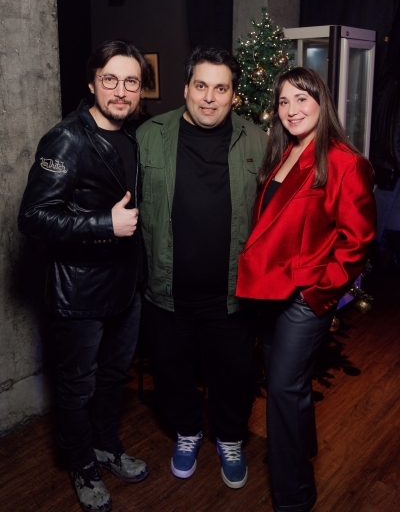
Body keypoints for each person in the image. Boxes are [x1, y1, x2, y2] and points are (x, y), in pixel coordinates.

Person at [18, 39, 152, 512]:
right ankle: (81, 464)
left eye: (131, 81)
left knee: (114, 376)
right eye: (110, 79)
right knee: (78, 385)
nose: (121, 90)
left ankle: (105, 446)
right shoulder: (66, 139)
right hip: (79, 289)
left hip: (125, 285)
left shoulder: (131, 135)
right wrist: (103, 224)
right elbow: (33, 217)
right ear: (92, 83)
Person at [236, 67, 376, 512]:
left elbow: (357, 241)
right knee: (288, 388)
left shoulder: (344, 161)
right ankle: (299, 451)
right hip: (269, 292)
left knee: (282, 389)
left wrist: (318, 291)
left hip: (303, 296)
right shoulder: (284, 153)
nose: (291, 109)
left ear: (321, 102)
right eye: (283, 101)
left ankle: (294, 496)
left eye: (301, 99)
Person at [136, 46, 267, 489]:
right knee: (171, 374)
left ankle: (230, 438)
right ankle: (188, 431)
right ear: (186, 88)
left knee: (234, 378)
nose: (209, 97)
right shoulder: (149, 135)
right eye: (201, 86)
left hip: (231, 296)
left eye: (221, 88)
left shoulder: (257, 141)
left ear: (234, 95)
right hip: (167, 292)